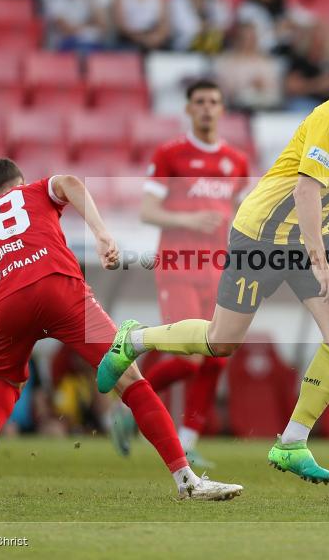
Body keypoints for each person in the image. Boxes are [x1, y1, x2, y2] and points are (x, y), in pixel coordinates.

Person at [96, 44, 329, 484]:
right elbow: (306, 191)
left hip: (310, 235)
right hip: (262, 234)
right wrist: (320, 262)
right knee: (221, 341)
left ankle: (291, 443)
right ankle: (133, 339)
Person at [0, 158, 242, 500]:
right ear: (17, 184)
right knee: (129, 376)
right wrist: (102, 234)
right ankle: (185, 479)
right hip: (59, 287)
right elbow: (69, 183)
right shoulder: (34, 190)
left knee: (5, 378)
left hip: (6, 302)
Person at [111, 80, 249, 467]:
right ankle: (128, 402)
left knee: (218, 355)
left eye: (214, 102)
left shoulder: (236, 161)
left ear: (222, 110)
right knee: (189, 357)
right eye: (200, 102)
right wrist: (189, 217)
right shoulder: (171, 154)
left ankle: (188, 441)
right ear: (189, 109)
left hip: (218, 269)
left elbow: (238, 215)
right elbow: (147, 212)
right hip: (178, 265)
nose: (207, 108)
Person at [214, 21, 283, 111]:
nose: (248, 42)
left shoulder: (267, 62)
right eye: (245, 38)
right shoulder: (225, 62)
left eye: (252, 38)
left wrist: (262, 86)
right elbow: (222, 89)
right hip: (234, 109)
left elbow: (276, 92)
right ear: (237, 39)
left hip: (265, 108)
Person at [284, 21, 329, 112]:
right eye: (316, 39)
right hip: (306, 102)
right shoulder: (300, 61)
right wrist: (317, 85)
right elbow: (291, 87)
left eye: (323, 39)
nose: (320, 43)